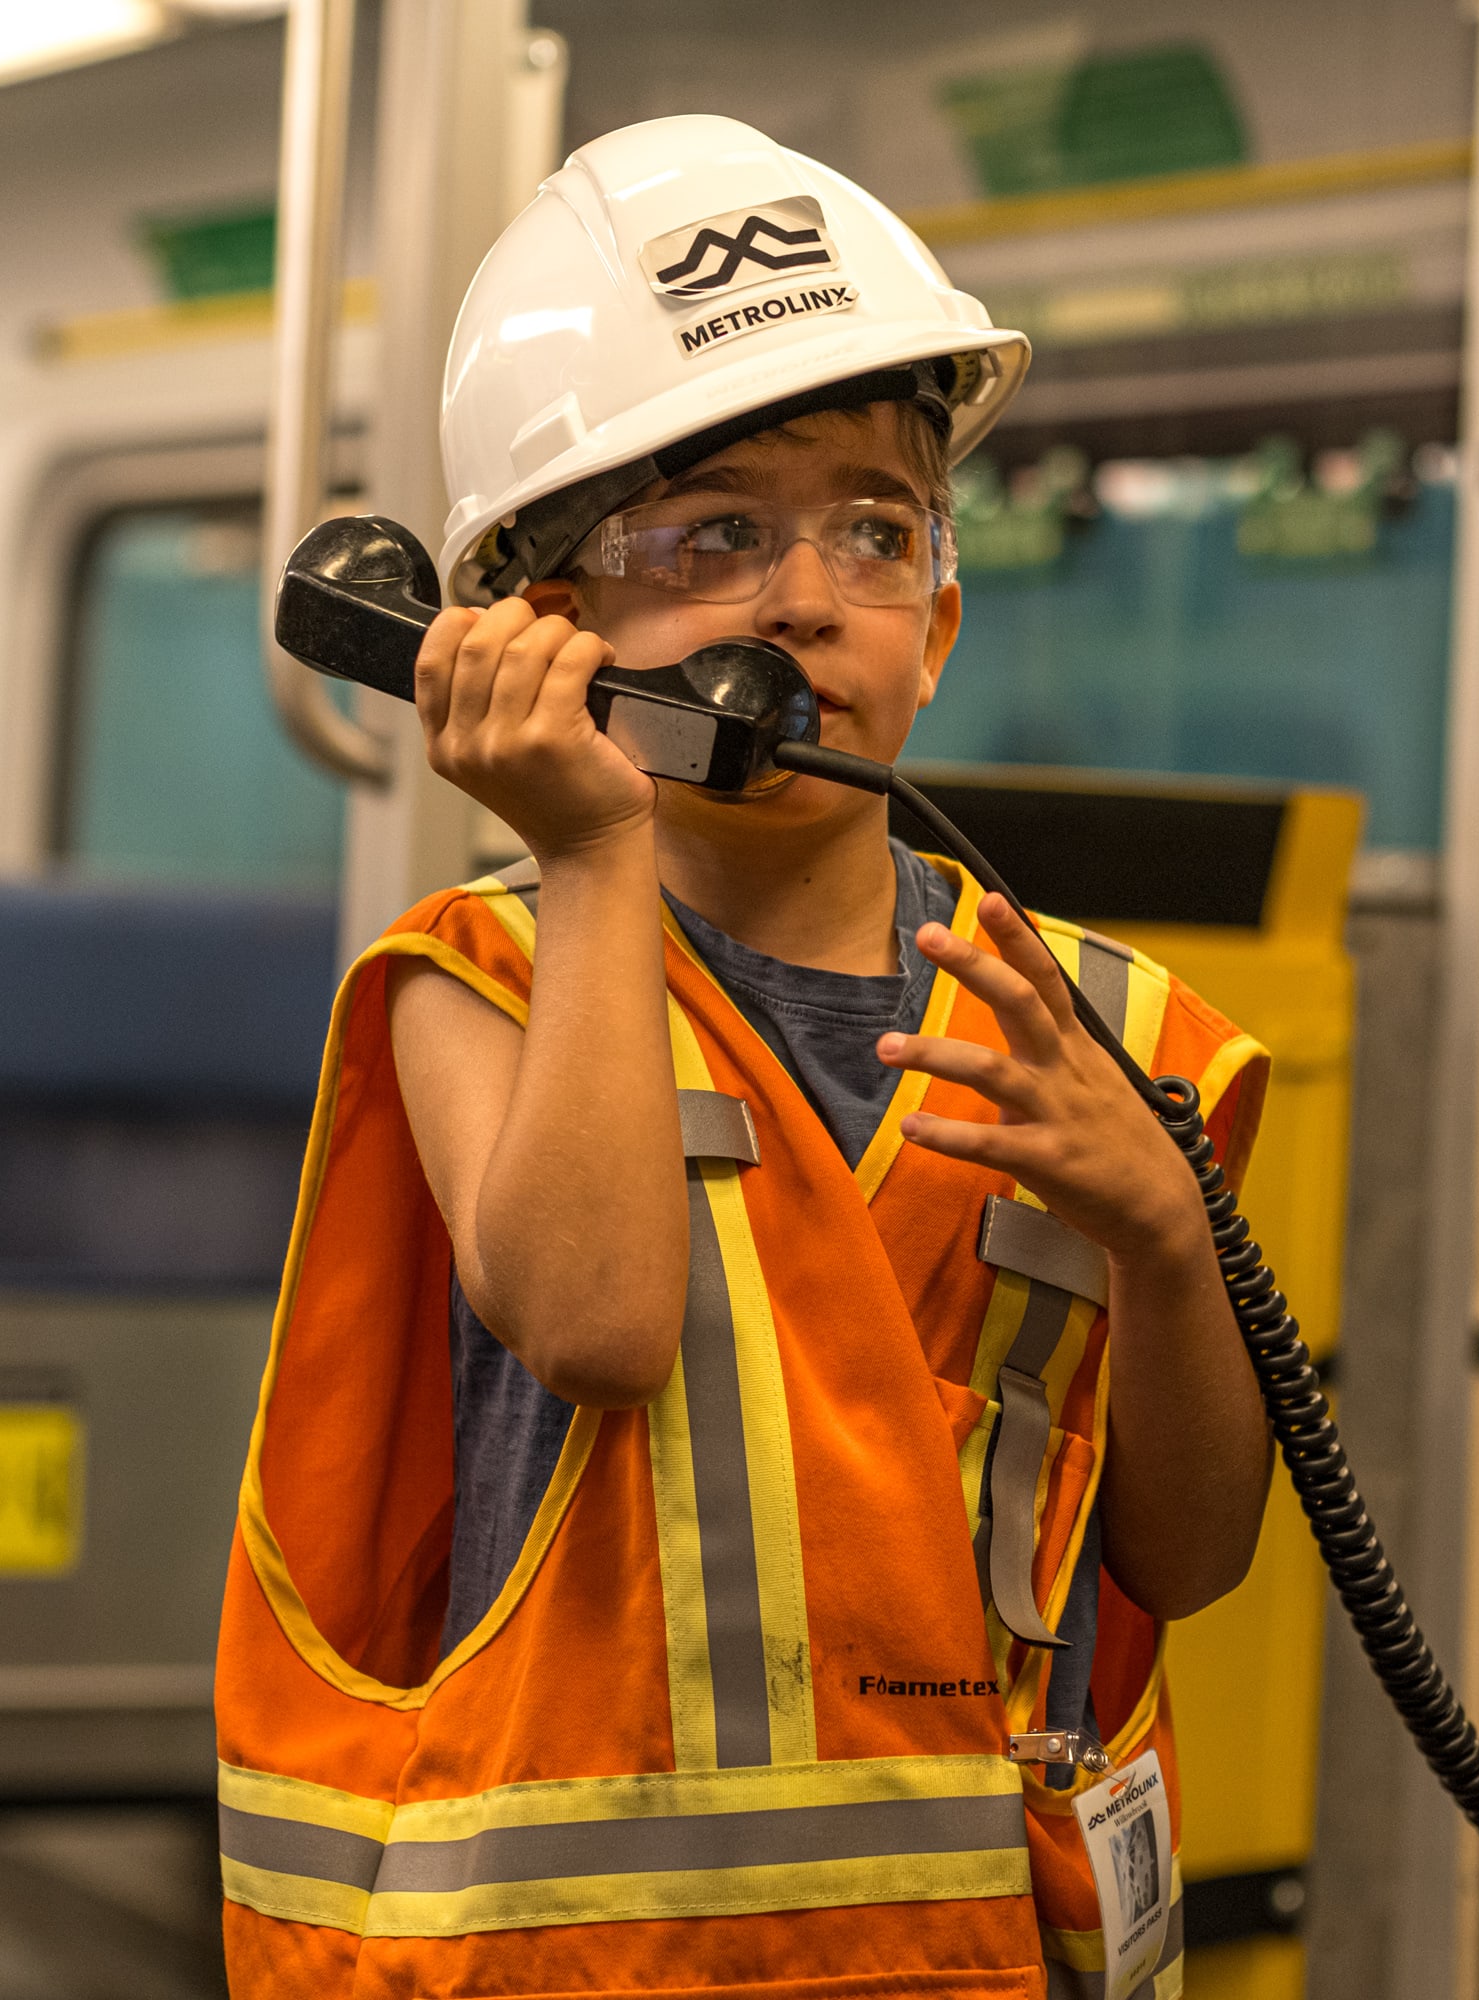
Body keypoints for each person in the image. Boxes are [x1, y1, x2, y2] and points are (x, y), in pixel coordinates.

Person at [216, 113, 1274, 1998]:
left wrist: (1168, 1244)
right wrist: (597, 836)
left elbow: (1186, 1557)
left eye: (874, 530)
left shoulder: (1097, 1029)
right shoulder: (491, 982)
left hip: (987, 1963)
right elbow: (602, 1321)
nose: (805, 597)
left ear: (936, 621)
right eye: (715, 535)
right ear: (544, 630)